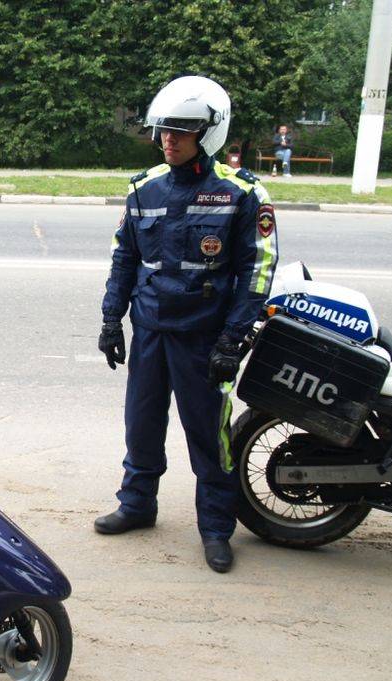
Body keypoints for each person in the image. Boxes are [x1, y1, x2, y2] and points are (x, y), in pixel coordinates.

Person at [95, 75, 279, 573]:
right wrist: (112, 320)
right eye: (162, 131)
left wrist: (232, 339)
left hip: (204, 337)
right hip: (150, 329)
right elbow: (124, 259)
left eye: (180, 131)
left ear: (209, 133)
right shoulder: (144, 188)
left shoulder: (241, 194)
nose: (167, 140)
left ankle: (217, 527)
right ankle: (137, 505)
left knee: (208, 437)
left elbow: (256, 272)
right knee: (142, 425)